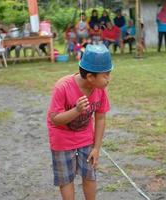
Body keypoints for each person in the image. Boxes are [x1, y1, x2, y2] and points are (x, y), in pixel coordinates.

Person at [47, 44, 112, 200]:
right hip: (62, 139)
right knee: (66, 179)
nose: (109, 79)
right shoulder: (62, 87)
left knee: (89, 175)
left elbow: (101, 117)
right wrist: (76, 111)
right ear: (90, 77)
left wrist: (96, 148)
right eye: (106, 75)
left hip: (85, 138)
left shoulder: (100, 90)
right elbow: (54, 119)